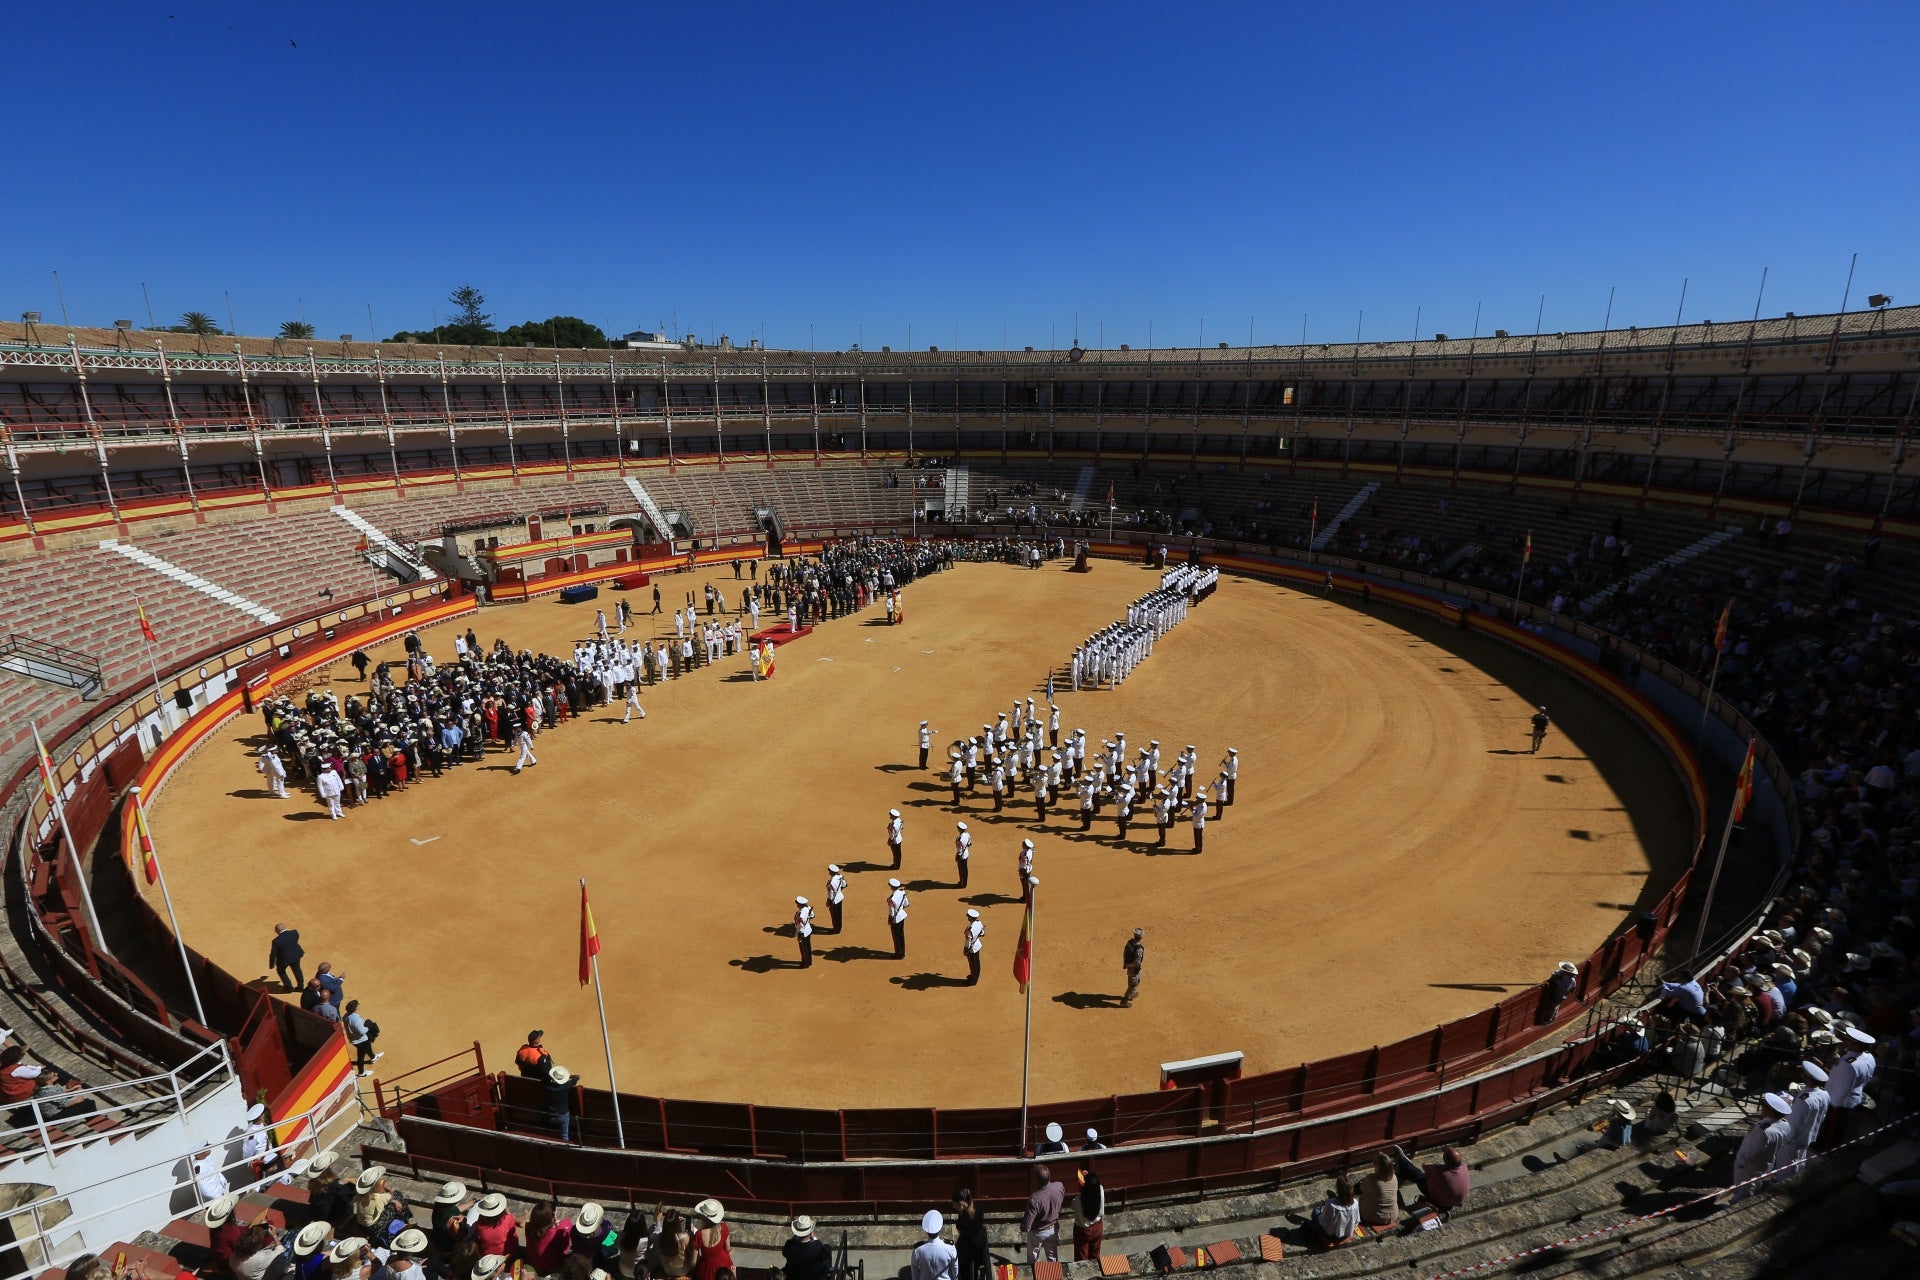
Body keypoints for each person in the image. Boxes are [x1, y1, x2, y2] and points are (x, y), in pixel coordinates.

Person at [1731, 1093, 1793, 1201]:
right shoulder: (1784, 1124)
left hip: (1749, 1167)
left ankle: (1735, 1203)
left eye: (1765, 1106)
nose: (1762, 1107)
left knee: (1744, 1190)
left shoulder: (1763, 1131)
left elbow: (1750, 1151)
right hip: (1764, 1163)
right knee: (1755, 1185)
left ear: (1771, 1111)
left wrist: (1740, 1163)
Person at [1388, 1144, 1471, 1213]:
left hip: (1439, 1203)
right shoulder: (1464, 1167)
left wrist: (1437, 1167)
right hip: (1453, 1203)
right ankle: (1402, 1168)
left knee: (1419, 1176)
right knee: (1433, 1178)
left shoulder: (1439, 1171)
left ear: (1445, 1158)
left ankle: (1402, 1161)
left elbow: (1424, 1165)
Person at [1021, 1164, 1064, 1263]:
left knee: (1033, 1259)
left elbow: (1027, 1226)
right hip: (1053, 1228)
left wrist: (1023, 1227)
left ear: (1036, 1180)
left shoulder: (1035, 1199)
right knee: (1052, 1257)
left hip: (1038, 1232)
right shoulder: (1059, 1186)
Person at [1311, 1175, 1361, 1246]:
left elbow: (1323, 1222)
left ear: (1338, 1189)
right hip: (1346, 1234)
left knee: (1315, 1210)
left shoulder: (1331, 1204)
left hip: (1330, 1235)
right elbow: (1357, 1220)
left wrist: (1322, 1212)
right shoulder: (1355, 1203)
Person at [689, 1199, 732, 1280]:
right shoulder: (724, 1227)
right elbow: (728, 1249)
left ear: (703, 1217)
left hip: (706, 1269)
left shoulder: (699, 1234)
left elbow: (693, 1261)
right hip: (723, 1263)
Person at [951, 1189, 988, 1280]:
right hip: (979, 1248)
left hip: (966, 1252)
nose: (953, 1207)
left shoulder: (961, 1221)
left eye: (954, 1204)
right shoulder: (979, 1208)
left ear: (960, 1203)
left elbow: (962, 1233)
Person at [910, 1210, 957, 1280]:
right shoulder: (950, 1248)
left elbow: (914, 1270)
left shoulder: (918, 1249)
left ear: (926, 1230)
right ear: (940, 1228)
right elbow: (955, 1269)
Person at [1070, 1168, 1105, 1261]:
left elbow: (1072, 1206)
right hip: (1098, 1226)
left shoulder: (1079, 1199)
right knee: (1095, 1252)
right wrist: (1089, 1177)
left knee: (1081, 1255)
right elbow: (1094, 1186)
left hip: (1083, 1230)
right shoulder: (1100, 1190)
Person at [1358, 1152, 1399, 1228]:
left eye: (1375, 1164)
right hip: (1393, 1215)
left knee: (1363, 1196)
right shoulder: (1394, 1177)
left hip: (1377, 1218)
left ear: (1378, 1167)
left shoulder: (1371, 1179)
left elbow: (1362, 1188)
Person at [343, 1000, 381, 1075]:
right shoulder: (355, 1019)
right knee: (361, 1056)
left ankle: (373, 1057)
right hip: (361, 1040)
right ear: (355, 1008)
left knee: (368, 1047)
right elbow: (362, 1031)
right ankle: (361, 1072)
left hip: (355, 1038)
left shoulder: (345, 1016)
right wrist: (368, 1027)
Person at [545, 1064, 580, 1142]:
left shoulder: (547, 1086)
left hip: (548, 1116)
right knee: (564, 1137)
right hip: (562, 1117)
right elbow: (577, 1077)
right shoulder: (565, 1086)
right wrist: (569, 1076)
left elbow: (545, 1079)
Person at [270, 924, 306, 993]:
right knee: (297, 970)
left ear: (278, 931)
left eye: (276, 931)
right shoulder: (294, 932)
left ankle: (289, 987)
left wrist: (272, 964)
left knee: (281, 971)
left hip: (284, 960)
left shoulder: (276, 941)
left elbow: (273, 954)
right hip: (295, 956)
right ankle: (300, 987)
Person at [1122, 929, 1145, 1007]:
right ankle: (1124, 1001)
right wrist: (1128, 965)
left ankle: (1131, 995)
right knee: (1134, 985)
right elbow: (1137, 963)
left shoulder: (1129, 943)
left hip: (1128, 965)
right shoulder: (1139, 949)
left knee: (1130, 980)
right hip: (1134, 968)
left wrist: (1125, 963)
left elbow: (1125, 952)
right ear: (1141, 937)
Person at [887, 879, 909, 959]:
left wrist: (891, 918)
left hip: (896, 919)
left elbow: (891, 911)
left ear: (892, 887)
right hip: (902, 915)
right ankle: (902, 952)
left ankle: (898, 954)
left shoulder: (891, 899)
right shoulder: (902, 892)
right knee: (901, 935)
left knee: (896, 937)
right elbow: (906, 904)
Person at [963, 909, 984, 985]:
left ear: (971, 918)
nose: (967, 917)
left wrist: (966, 950)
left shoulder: (969, 929)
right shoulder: (979, 923)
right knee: (976, 963)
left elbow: (968, 941)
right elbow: (982, 933)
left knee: (973, 965)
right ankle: (974, 977)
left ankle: (973, 981)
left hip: (972, 949)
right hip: (977, 945)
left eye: (968, 916)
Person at [794, 897, 815, 969]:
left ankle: (805, 963)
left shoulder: (801, 915)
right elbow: (812, 915)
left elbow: (801, 925)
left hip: (803, 933)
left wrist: (800, 934)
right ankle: (808, 961)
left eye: (797, 903)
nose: (796, 905)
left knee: (803, 949)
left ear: (800, 904)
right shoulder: (808, 908)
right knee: (808, 947)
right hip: (808, 930)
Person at [825, 865, 847, 934]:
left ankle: (836, 930)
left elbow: (830, 894)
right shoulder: (840, 877)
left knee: (834, 916)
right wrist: (838, 892)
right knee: (839, 915)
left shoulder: (831, 883)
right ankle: (838, 928)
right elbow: (844, 884)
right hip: (840, 898)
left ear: (831, 872)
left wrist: (829, 901)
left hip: (834, 901)